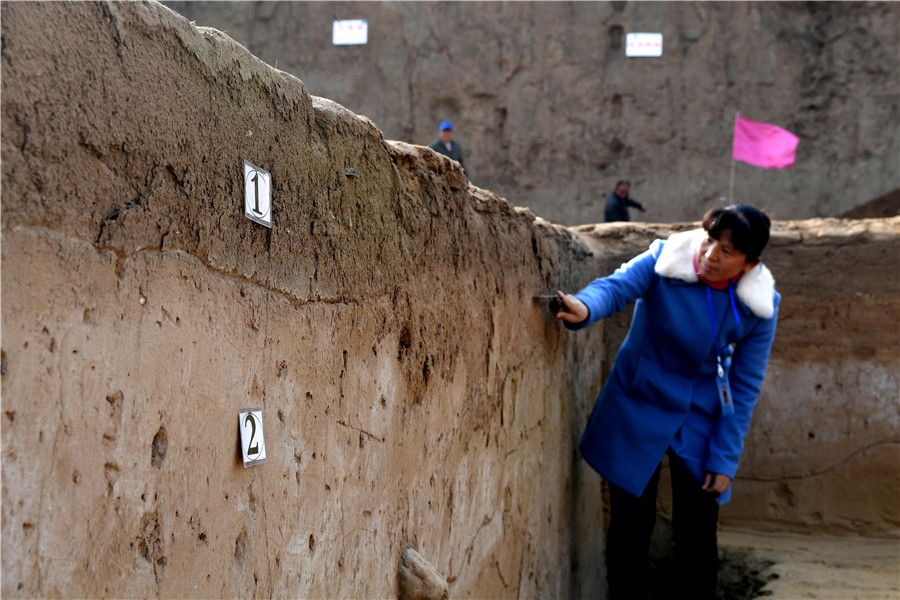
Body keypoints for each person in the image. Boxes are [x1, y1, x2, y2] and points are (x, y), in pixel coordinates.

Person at [554, 204, 779, 600]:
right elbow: (617, 286)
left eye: (726, 252)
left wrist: (725, 459)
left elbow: (744, 387)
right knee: (630, 528)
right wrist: (585, 307)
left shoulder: (760, 307)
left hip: (701, 419)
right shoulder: (666, 258)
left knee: (697, 534)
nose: (710, 256)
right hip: (637, 402)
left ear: (749, 264)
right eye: (709, 241)